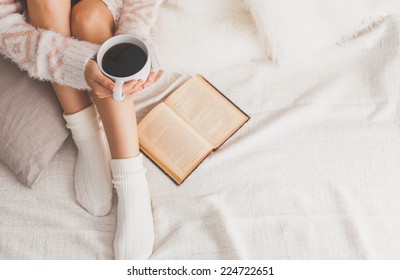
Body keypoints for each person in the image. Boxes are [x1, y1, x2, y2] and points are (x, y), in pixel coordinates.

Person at [0, 0, 162, 259]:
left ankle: (131, 177)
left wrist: (134, 37)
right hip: (44, 15)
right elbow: (4, 25)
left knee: (89, 18)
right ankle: (87, 136)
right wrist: (73, 63)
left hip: (105, 11)